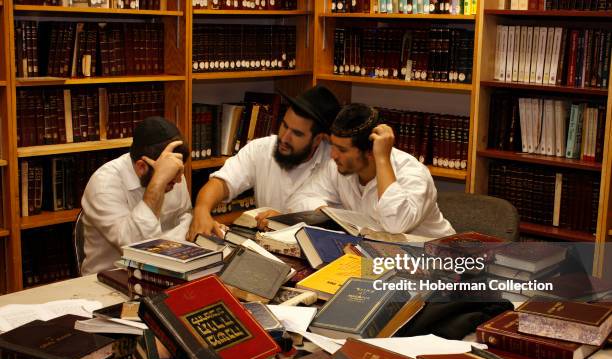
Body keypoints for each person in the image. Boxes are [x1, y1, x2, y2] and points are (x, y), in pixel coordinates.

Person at [187, 85, 341, 239]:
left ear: (317, 139)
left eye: (297, 133)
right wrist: (201, 210)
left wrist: (286, 221)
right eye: (284, 125)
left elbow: (342, 226)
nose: (285, 137)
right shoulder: (261, 148)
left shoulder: (337, 164)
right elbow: (221, 183)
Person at [295, 103, 455, 238]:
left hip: (437, 260)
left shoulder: (413, 173)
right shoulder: (339, 166)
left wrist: (383, 159)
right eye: (333, 146)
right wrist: (327, 214)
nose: (333, 155)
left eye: (342, 150)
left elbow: (395, 224)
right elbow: (302, 197)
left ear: (371, 151)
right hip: (379, 258)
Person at [80, 117, 192, 276]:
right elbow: (137, 248)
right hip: (109, 280)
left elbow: (186, 220)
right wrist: (158, 183)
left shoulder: (174, 174)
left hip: (167, 273)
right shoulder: (103, 184)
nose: (180, 180)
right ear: (141, 167)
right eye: (172, 173)